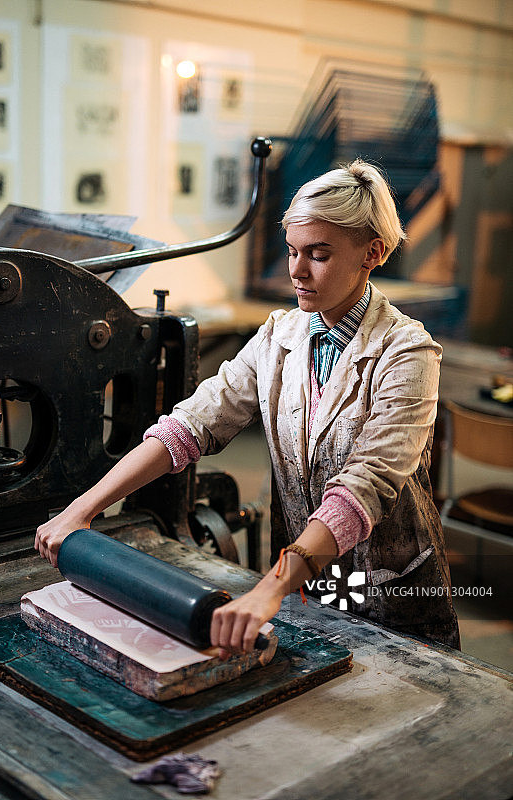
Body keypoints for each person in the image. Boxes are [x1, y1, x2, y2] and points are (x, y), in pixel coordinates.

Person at [35, 159, 460, 655]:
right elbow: (188, 427)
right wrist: (81, 511)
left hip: (395, 597)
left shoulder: (408, 352)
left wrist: (269, 589)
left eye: (318, 255)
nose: (296, 272)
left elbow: (363, 488)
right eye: (292, 251)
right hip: (311, 591)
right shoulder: (279, 335)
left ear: (374, 252)